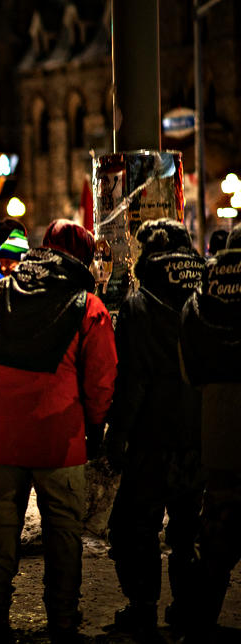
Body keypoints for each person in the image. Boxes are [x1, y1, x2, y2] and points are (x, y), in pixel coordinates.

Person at [0, 219, 116, 643]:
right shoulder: (87, 305)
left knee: (0, 532)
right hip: (61, 438)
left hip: (4, 438)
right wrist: (93, 425)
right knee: (64, 536)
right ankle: (63, 621)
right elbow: (102, 380)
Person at [103, 219, 206, 635]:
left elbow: (134, 379)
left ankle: (143, 605)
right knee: (188, 528)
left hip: (152, 434)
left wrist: (118, 433)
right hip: (201, 431)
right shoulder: (209, 293)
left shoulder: (139, 302)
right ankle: (187, 607)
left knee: (138, 525)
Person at [179, 223, 241, 641]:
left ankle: (201, 623)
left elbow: (189, 373)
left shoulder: (198, 301)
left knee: (218, 532)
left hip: (218, 426)